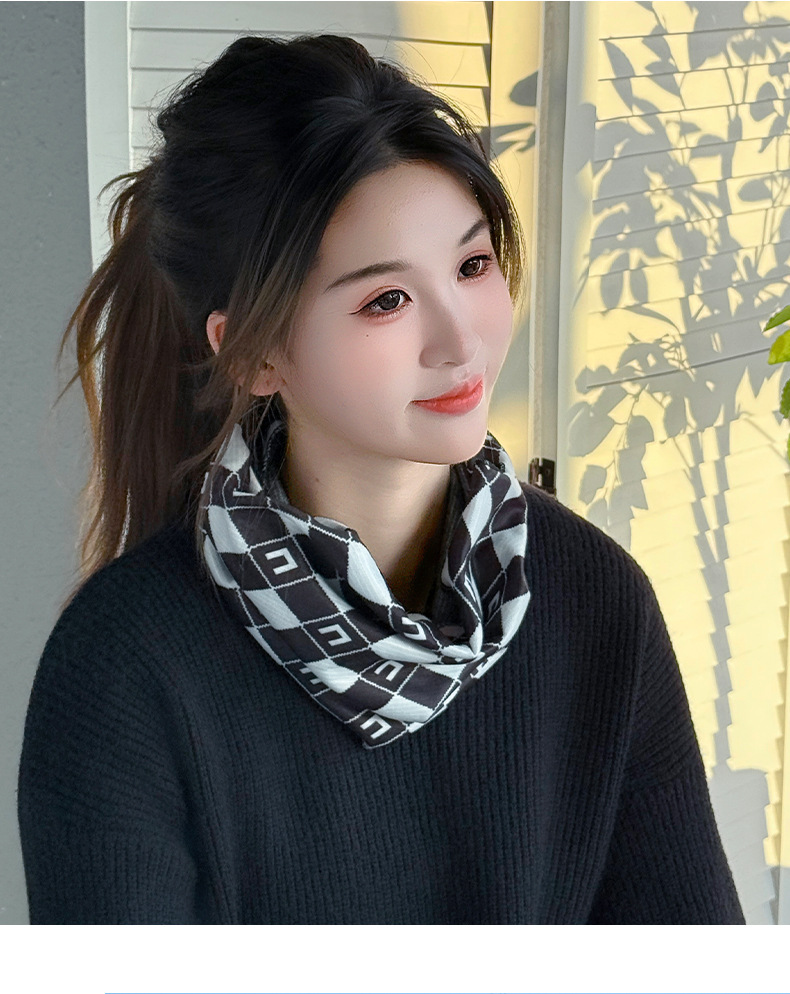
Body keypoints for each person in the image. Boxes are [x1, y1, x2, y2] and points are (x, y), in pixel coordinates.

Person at [17, 33, 745, 925]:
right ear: (254, 353)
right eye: (385, 300)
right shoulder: (125, 665)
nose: (461, 340)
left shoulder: (594, 598)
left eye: (472, 266)